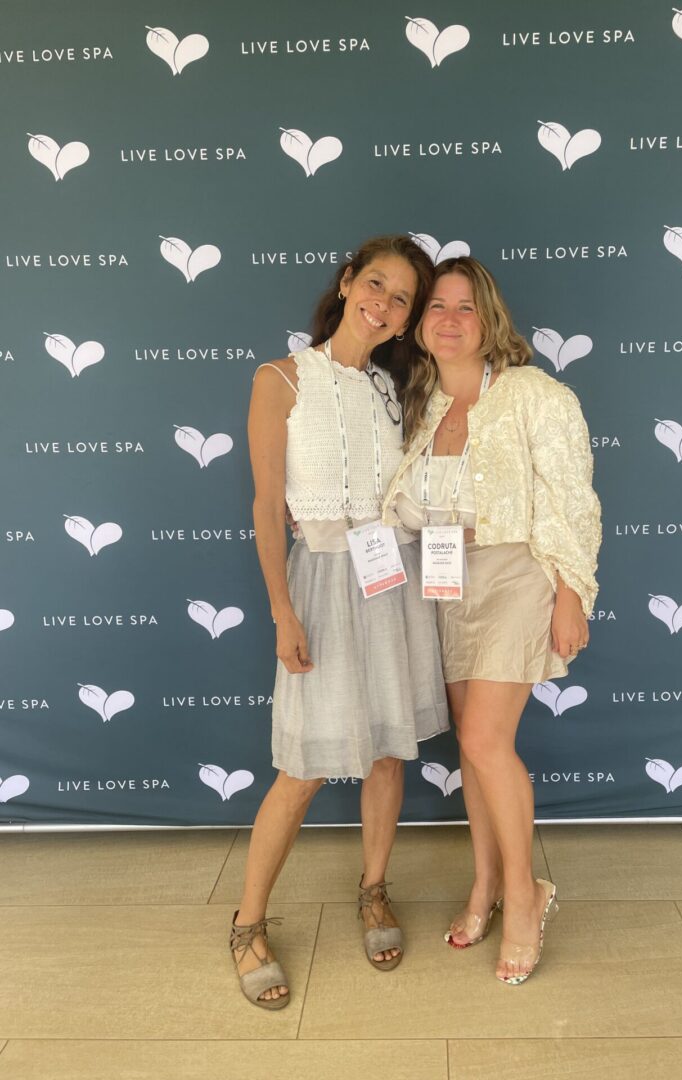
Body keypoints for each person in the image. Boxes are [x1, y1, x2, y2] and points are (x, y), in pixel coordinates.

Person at [230, 235, 449, 1009]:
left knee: (389, 752)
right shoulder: (282, 379)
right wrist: (281, 610)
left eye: (401, 298)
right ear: (348, 282)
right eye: (376, 283)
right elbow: (264, 505)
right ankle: (247, 922)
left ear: (405, 321)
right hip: (320, 583)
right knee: (302, 771)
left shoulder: (395, 391)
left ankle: (373, 890)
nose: (383, 303)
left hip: (391, 582)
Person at [381, 256, 601, 985]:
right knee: (471, 750)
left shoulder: (536, 395)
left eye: (465, 307)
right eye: (436, 305)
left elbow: (573, 499)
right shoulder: (420, 403)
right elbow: (402, 506)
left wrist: (572, 591)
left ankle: (526, 896)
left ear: (490, 320)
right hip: (445, 582)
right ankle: (485, 885)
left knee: (484, 738)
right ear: (420, 325)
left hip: (517, 574)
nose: (448, 318)